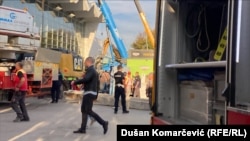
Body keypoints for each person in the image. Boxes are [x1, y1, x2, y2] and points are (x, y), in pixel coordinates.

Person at [71, 57, 108, 134]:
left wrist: (75, 82)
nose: (84, 63)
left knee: (88, 110)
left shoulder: (91, 70)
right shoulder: (93, 71)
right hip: (90, 92)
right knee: (84, 110)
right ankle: (83, 129)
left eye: (85, 62)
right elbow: (96, 83)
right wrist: (96, 94)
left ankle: (104, 123)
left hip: (89, 93)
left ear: (88, 62)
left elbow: (86, 79)